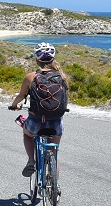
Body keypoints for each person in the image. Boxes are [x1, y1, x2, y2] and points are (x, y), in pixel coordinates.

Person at [8, 42, 68, 177]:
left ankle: (31, 161)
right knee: (53, 151)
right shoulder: (62, 76)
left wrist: (14, 105)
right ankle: (54, 187)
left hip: (36, 120)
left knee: (27, 134)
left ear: (37, 59)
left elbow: (21, 95)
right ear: (53, 58)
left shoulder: (31, 77)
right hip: (56, 121)